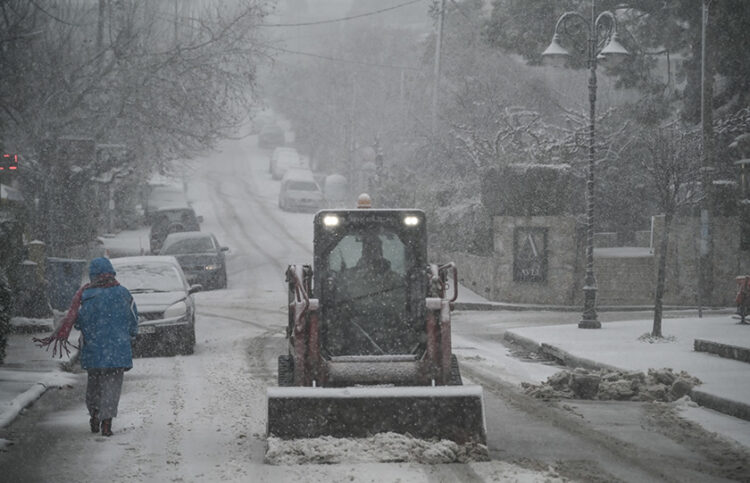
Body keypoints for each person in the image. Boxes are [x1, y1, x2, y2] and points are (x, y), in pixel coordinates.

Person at [35, 257, 137, 436]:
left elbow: (79, 321)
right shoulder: (124, 294)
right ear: (111, 273)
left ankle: (95, 414)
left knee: (94, 385)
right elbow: (133, 320)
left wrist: (86, 327)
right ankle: (107, 422)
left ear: (92, 275)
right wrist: (130, 333)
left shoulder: (85, 295)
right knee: (112, 387)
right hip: (117, 350)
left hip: (94, 350)